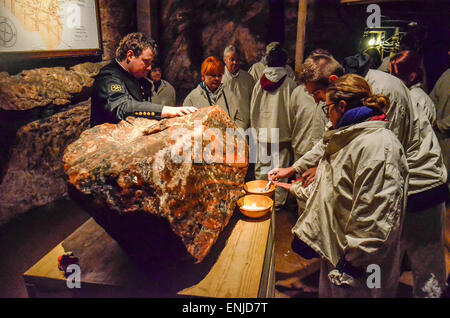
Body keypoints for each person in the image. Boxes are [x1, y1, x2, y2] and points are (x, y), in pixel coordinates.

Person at [271, 52, 448, 298]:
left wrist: (352, 262)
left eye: (317, 95)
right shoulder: (344, 102)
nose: (316, 102)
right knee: (374, 257)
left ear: (333, 82)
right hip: (388, 181)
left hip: (421, 182)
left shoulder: (381, 106)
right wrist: (296, 169)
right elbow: (333, 141)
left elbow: (376, 163)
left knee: (422, 270)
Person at [275, 74, 409, 297]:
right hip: (339, 251)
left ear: (342, 106)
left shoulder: (379, 148)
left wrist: (351, 265)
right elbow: (333, 189)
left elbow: (376, 221)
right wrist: (291, 187)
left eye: (327, 107)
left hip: (358, 266)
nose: (326, 113)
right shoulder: (349, 137)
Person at [91, 32, 197, 127]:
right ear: (130, 55)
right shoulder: (109, 76)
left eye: (151, 63)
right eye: (146, 61)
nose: (150, 68)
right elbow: (122, 107)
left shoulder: (139, 78)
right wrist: (164, 110)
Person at [250, 45, 297, 209]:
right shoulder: (290, 84)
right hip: (283, 134)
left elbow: (253, 109)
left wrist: (255, 129)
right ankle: (276, 203)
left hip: (262, 132)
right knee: (280, 170)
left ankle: (260, 197)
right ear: (284, 63)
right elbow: (293, 111)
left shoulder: (259, 83)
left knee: (262, 167)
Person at [183, 56, 249, 129]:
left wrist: (233, 134)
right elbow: (185, 125)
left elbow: (241, 119)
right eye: (213, 75)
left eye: (219, 75)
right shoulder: (192, 98)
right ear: (203, 76)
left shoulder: (229, 94)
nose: (217, 79)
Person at [430, 67, 450, 193]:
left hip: (441, 131)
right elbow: (432, 100)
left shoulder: (446, 73)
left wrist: (439, 124)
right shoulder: (446, 74)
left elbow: (431, 100)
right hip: (441, 135)